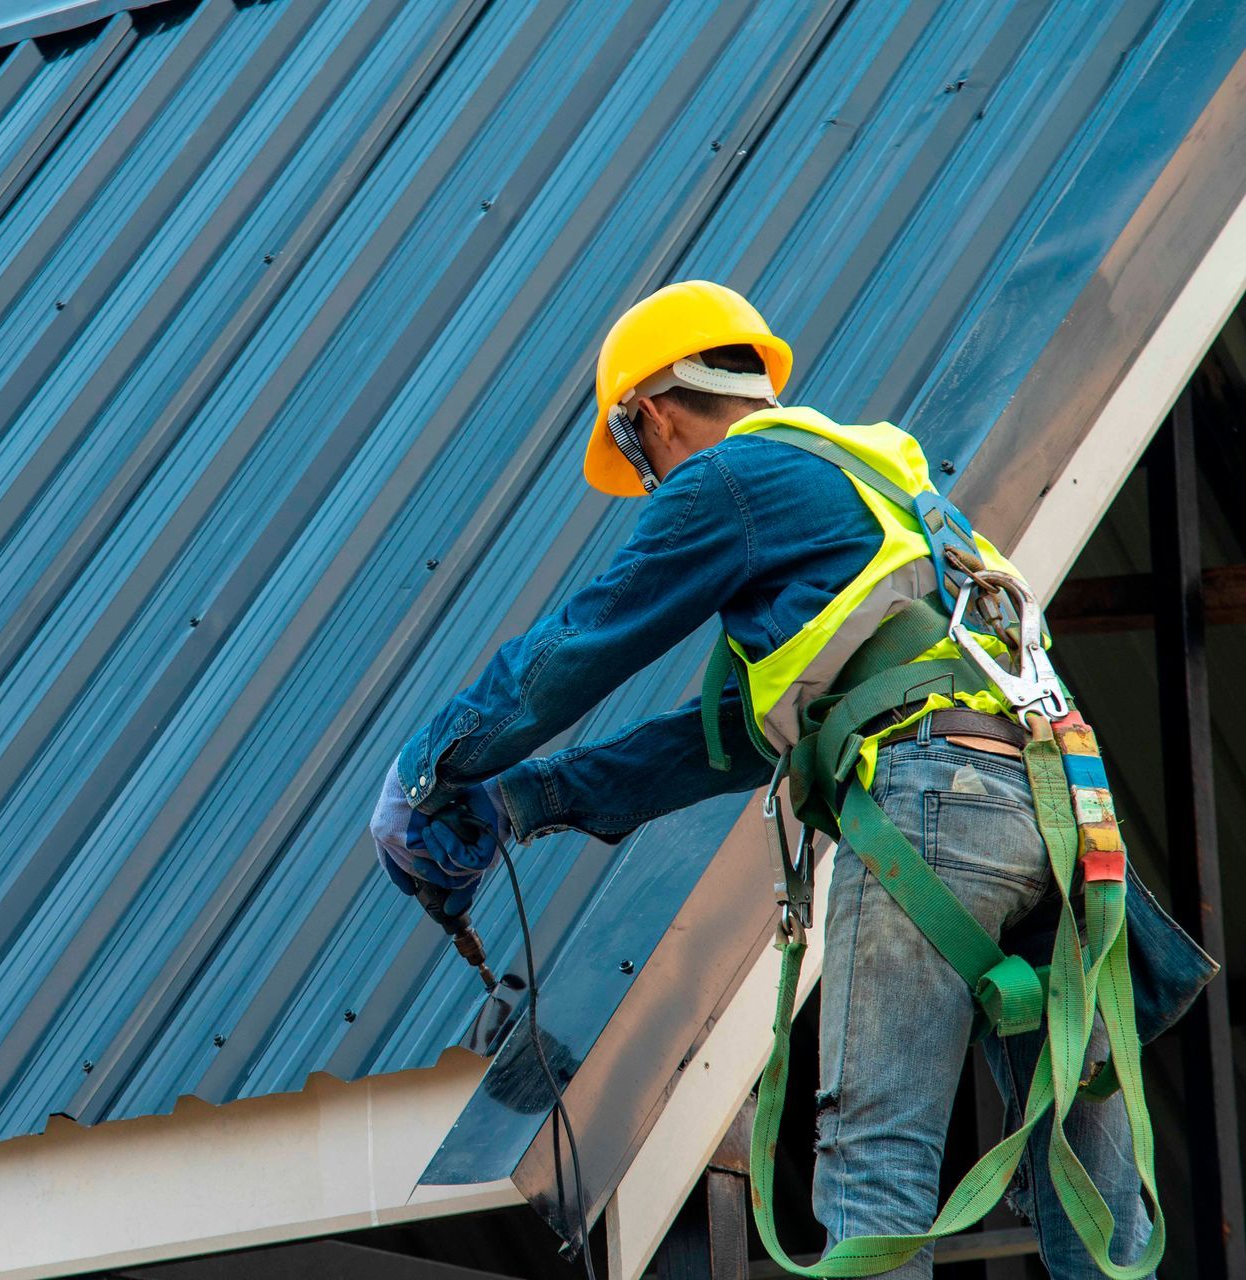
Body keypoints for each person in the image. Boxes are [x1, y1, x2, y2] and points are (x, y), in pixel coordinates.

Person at [369, 281, 1211, 1277]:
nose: (652, 483)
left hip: (932, 805)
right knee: (1092, 1192)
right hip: (1059, 810)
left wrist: (430, 768)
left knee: (875, 1165)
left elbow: (579, 645)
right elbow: (722, 738)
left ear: (653, 413)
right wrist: (521, 801)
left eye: (641, 459)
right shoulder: (875, 486)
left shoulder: (729, 479)